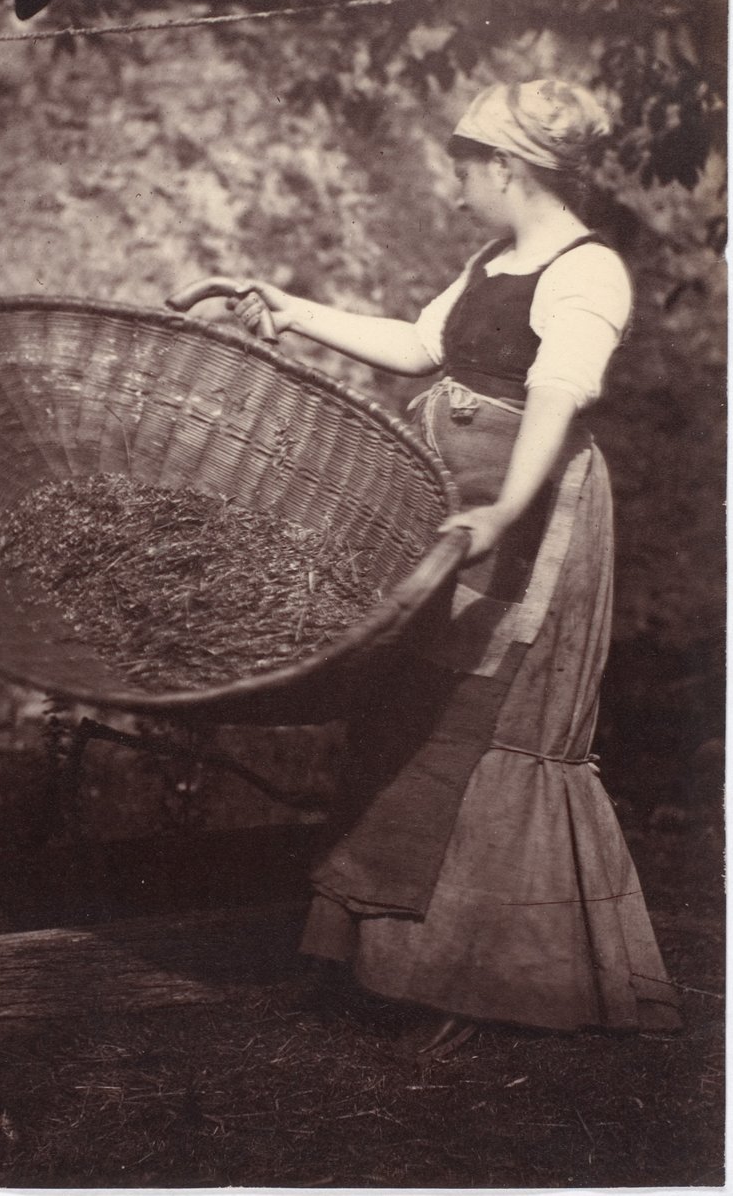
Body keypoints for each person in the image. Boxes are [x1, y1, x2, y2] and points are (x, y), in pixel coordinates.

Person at [224, 79, 682, 1047]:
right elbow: (418, 346)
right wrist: (287, 307)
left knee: (490, 718)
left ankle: (496, 981)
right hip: (454, 513)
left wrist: (502, 512)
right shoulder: (493, 260)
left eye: (466, 167)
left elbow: (555, 403)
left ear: (507, 167)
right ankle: (388, 964)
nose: (457, 185)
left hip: (525, 521)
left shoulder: (586, 274)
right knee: (415, 715)